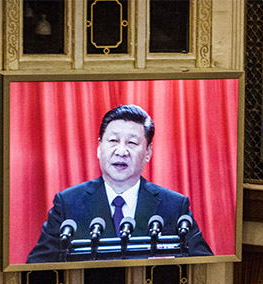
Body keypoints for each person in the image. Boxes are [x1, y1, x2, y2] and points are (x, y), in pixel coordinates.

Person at [26, 104, 210, 263]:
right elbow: (37, 267)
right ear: (99, 147)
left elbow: (204, 266)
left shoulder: (174, 206)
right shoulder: (68, 203)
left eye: (132, 143)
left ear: (148, 152)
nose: (121, 151)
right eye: (113, 141)